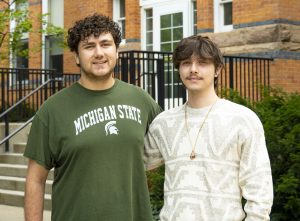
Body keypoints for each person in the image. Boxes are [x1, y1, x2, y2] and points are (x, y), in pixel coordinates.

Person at [24, 13, 161, 221]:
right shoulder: (52, 110)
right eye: (89, 46)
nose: (99, 53)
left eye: (105, 44)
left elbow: (173, 147)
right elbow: (35, 180)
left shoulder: (141, 100)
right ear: (77, 57)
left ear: (116, 51)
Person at [144, 35, 273, 220]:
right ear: (178, 69)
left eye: (202, 63)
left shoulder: (242, 120)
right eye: (186, 63)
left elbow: (260, 191)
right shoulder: (163, 123)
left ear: (217, 70)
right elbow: (132, 164)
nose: (193, 69)